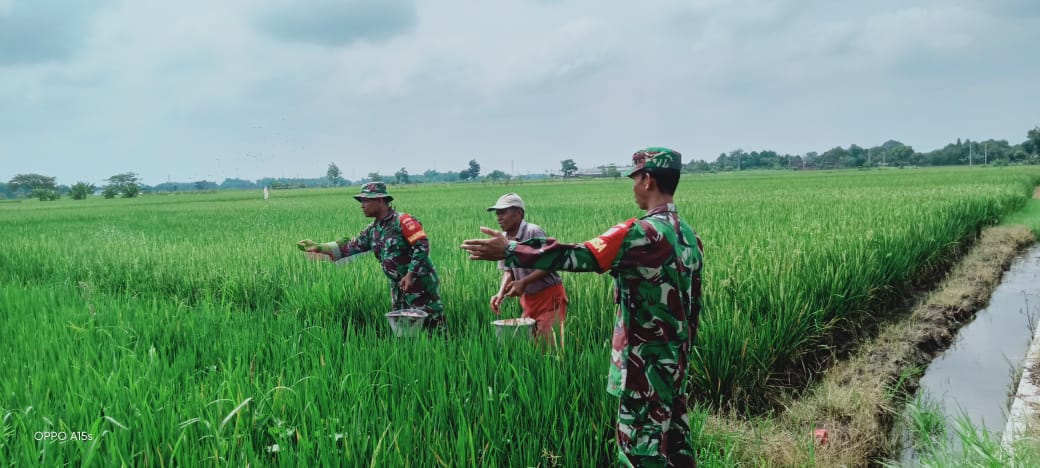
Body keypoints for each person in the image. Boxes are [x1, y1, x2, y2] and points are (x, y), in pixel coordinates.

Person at [461, 148, 703, 466]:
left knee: (640, 453)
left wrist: (511, 250)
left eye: (634, 179)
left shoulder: (638, 233)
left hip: (642, 369)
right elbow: (694, 306)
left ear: (647, 180)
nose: (632, 186)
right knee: (676, 450)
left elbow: (581, 255)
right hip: (676, 364)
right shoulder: (689, 236)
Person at [298, 182, 445, 330]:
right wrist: (319, 247)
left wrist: (411, 275)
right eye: (361, 201)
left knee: (432, 326)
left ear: (380, 200)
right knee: (404, 329)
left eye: (366, 201)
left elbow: (422, 246)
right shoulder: (374, 229)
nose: (362, 206)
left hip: (419, 283)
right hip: (399, 286)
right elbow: (351, 246)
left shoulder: (404, 221)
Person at [486, 193, 568, 349]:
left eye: (503, 212)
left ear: (519, 213)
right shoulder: (503, 238)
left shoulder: (533, 232)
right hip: (529, 300)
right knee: (530, 344)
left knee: (548, 346)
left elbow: (549, 263)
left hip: (549, 297)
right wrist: (500, 293)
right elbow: (508, 270)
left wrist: (523, 282)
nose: (498, 217)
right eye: (497, 213)